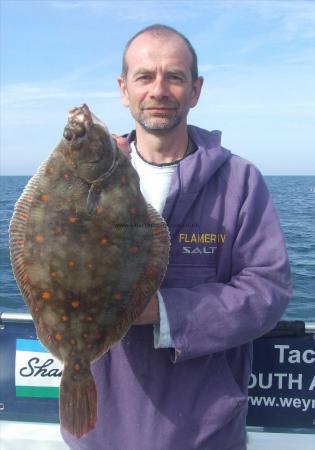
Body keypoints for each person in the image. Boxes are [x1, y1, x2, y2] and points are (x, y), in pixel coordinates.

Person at [62, 24, 291, 450]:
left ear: (195, 90)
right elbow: (45, 254)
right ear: (124, 89)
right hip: (100, 429)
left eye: (175, 76)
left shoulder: (240, 181)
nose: (159, 89)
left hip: (205, 433)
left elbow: (268, 290)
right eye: (145, 76)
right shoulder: (82, 181)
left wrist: (161, 311)